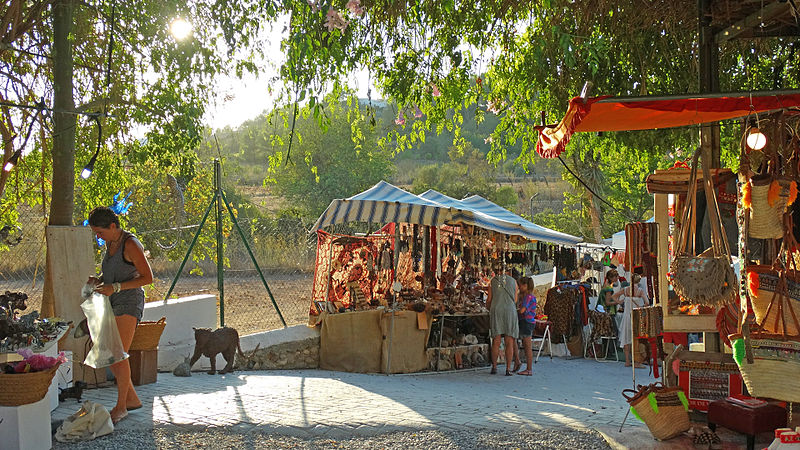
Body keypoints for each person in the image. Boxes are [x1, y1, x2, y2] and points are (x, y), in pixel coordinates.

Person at [86, 206, 153, 424]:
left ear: (113, 226)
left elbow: (147, 278)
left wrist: (114, 287)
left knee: (118, 353)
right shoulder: (111, 242)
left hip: (129, 301)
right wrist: (99, 280)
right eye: (96, 233)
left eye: (100, 232)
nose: (98, 236)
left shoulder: (131, 244)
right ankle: (131, 399)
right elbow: (113, 274)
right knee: (110, 354)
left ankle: (122, 406)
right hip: (112, 300)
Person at [486, 262, 518, 376]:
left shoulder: (493, 281)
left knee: (496, 340)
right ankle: (508, 369)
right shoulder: (514, 282)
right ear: (507, 271)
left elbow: (489, 299)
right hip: (510, 311)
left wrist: (488, 307)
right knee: (509, 341)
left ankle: (494, 367)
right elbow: (515, 299)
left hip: (497, 310)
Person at [618, 273, 647, 368]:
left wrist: (621, 302)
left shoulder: (625, 290)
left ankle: (627, 361)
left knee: (626, 338)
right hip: (636, 316)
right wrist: (641, 307)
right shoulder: (640, 291)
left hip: (626, 317)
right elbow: (647, 303)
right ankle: (637, 361)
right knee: (636, 339)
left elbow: (614, 296)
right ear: (639, 281)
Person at [513, 276, 536, 376]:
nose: (519, 287)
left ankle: (529, 369)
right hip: (528, 322)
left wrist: (515, 311)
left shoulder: (528, 297)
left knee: (527, 346)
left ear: (525, 286)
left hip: (526, 322)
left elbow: (522, 310)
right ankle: (524, 365)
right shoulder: (530, 296)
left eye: (520, 285)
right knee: (525, 345)